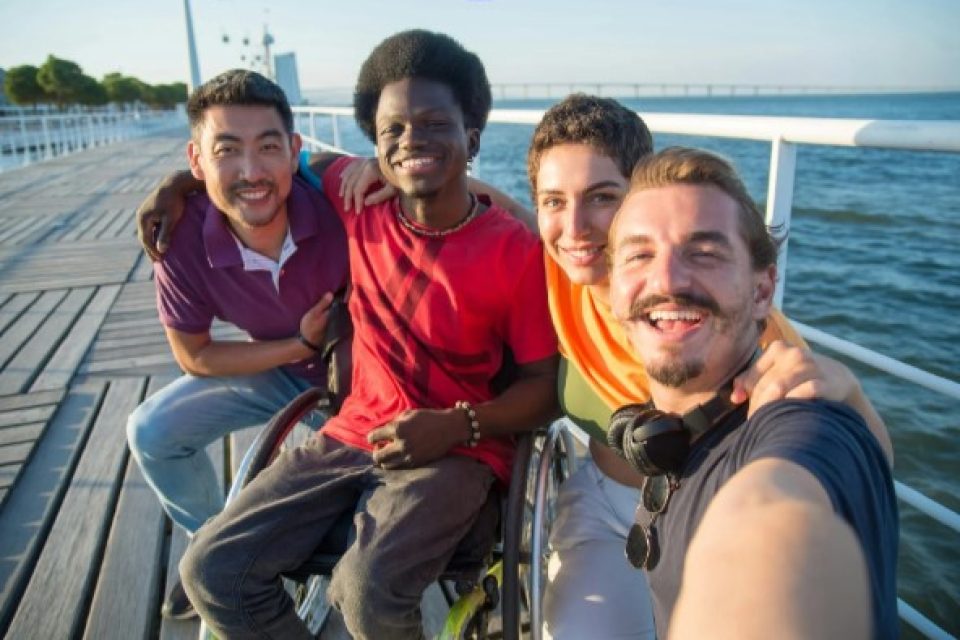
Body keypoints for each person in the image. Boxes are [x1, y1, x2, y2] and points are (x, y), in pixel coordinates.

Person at [178, 29, 559, 639]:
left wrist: (458, 424)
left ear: (473, 137)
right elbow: (284, 164)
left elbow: (547, 389)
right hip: (352, 432)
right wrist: (178, 185)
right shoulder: (356, 201)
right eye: (394, 131)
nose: (413, 142)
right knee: (210, 570)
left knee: (363, 593)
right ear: (375, 147)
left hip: (459, 449)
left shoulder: (515, 254)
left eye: (435, 124)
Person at [524, 94, 893, 639]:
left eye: (602, 197)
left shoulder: (730, 319)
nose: (574, 227)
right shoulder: (562, 264)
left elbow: (810, 467)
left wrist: (851, 396)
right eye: (553, 200)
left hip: (701, 515)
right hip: (599, 503)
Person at [606, 146, 898, 638]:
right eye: (639, 254)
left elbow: (773, 516)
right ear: (612, 288)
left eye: (704, 253)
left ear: (763, 290)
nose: (667, 279)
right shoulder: (680, 433)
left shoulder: (799, 417)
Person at [125, 69, 348, 619]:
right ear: (197, 162)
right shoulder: (176, 236)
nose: (251, 172)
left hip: (362, 389)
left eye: (268, 147)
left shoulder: (338, 199)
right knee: (150, 430)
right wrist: (298, 344)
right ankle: (211, 542)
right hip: (283, 370)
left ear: (294, 150)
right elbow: (194, 355)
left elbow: (446, 195)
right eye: (227, 150)